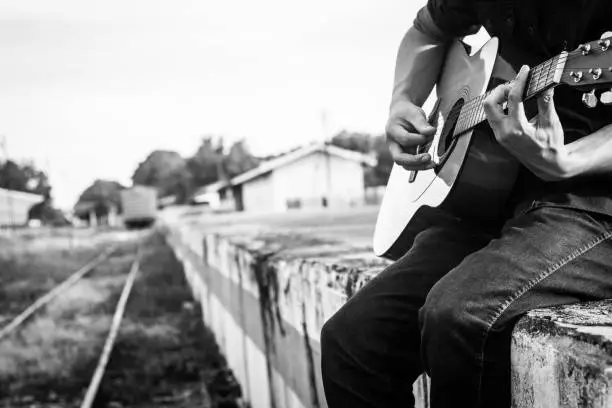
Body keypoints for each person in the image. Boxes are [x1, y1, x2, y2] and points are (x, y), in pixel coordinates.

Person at [320, 1, 612, 407]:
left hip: (592, 206)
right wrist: (403, 100)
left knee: (460, 316)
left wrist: (572, 160)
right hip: (490, 207)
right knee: (351, 340)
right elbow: (425, 31)